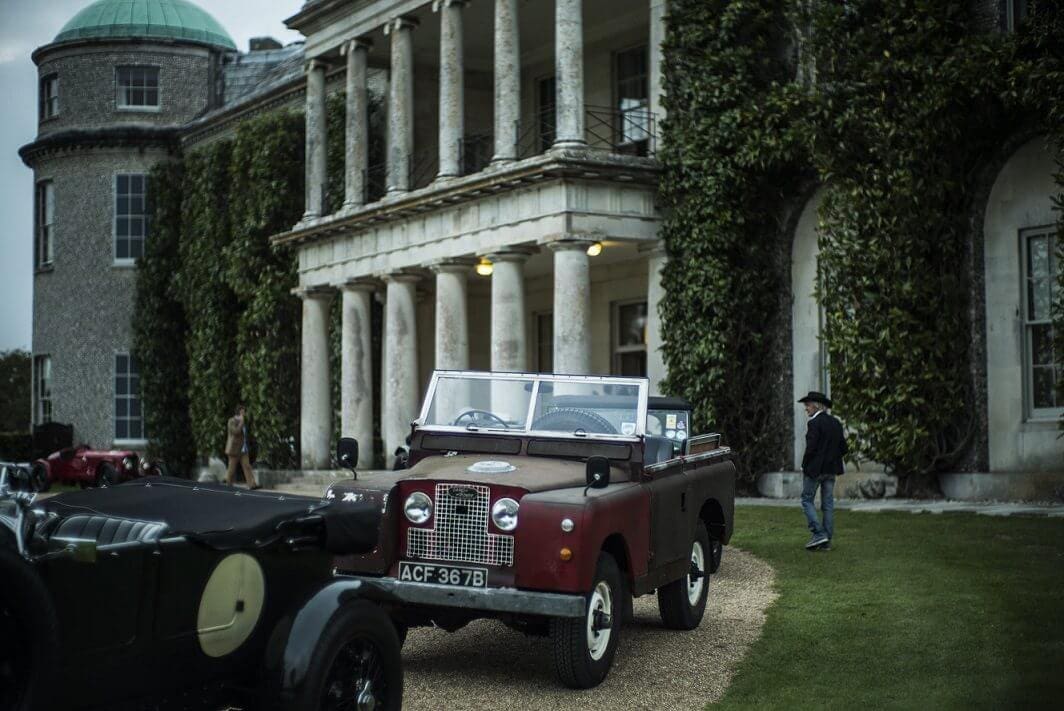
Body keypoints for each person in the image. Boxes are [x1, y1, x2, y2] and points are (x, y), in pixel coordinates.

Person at [798, 391, 846, 551]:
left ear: (816, 405)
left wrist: (804, 465)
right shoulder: (835, 423)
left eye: (808, 405)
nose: (806, 408)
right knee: (828, 504)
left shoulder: (814, 423)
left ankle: (819, 534)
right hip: (831, 469)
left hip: (815, 470)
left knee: (806, 499)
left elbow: (810, 449)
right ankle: (826, 540)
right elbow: (843, 448)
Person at [225, 404, 260, 490]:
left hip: (243, 449)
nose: (244, 413)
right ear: (239, 412)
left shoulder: (244, 421)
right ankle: (228, 485)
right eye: (243, 411)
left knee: (247, 466)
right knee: (231, 468)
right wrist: (240, 422)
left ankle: (252, 484)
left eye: (244, 411)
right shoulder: (232, 421)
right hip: (234, 448)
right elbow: (235, 432)